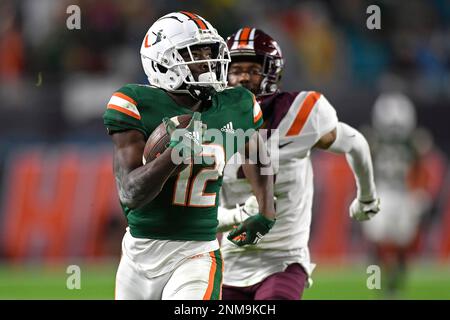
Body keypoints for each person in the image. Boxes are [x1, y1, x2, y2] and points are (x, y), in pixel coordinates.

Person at [103, 14, 276, 300]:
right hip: (138, 254)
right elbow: (130, 192)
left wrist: (266, 210)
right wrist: (174, 155)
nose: (208, 61)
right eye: (195, 53)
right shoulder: (135, 103)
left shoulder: (237, 104)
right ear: (161, 61)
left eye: (209, 51)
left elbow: (257, 152)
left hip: (196, 253)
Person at [217, 28, 380, 300]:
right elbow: (199, 213)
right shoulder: (211, 124)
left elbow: (355, 143)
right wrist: (238, 217)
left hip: (283, 259)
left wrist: (367, 197)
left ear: (271, 72)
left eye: (254, 70)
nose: (244, 77)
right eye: (236, 69)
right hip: (231, 260)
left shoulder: (301, 115)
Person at [361, 92, 435, 298]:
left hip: (403, 194)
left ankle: (395, 282)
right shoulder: (374, 139)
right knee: (376, 239)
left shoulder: (414, 141)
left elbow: (420, 168)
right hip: (382, 193)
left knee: (402, 240)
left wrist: (420, 191)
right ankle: (374, 282)